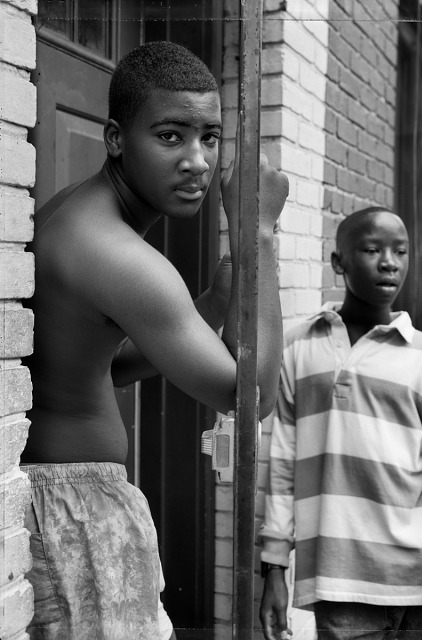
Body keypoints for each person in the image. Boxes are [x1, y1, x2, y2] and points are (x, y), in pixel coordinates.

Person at [21, 41, 289, 640]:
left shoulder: (78, 216)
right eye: (170, 136)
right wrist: (261, 234)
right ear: (116, 138)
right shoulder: (118, 254)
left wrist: (216, 303)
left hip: (59, 503)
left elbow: (102, 365)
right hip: (73, 510)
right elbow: (253, 399)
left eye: (209, 137)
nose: (197, 160)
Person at [258, 207, 422, 640]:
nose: (389, 262)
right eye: (372, 249)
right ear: (338, 261)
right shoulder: (299, 349)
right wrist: (274, 567)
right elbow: (281, 466)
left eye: (400, 251)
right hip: (340, 584)